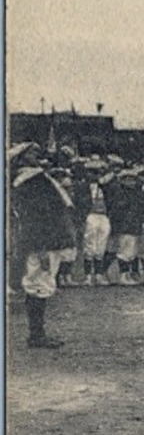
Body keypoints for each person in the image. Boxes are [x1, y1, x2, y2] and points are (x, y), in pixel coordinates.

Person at [8, 143, 77, 348]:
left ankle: (37, 334)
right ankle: (36, 335)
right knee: (39, 284)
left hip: (46, 240)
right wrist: (41, 246)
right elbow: (36, 217)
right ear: (20, 159)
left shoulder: (35, 179)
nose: (36, 155)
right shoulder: (31, 182)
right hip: (41, 242)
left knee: (41, 284)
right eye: (30, 153)